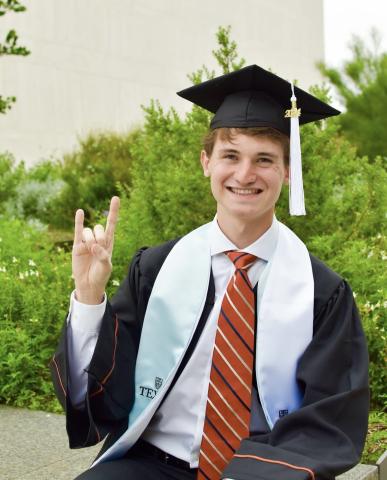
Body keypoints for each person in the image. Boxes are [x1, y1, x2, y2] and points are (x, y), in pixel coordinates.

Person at [51, 65, 369, 480]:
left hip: (265, 471)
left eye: (265, 160)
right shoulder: (156, 270)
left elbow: (330, 419)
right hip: (152, 465)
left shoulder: (322, 293)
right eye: (230, 156)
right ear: (206, 162)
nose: (244, 174)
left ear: (289, 172)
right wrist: (89, 298)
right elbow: (107, 395)